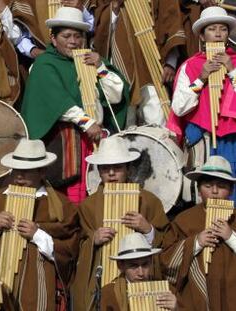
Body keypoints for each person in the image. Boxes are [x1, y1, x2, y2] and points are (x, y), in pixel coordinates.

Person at [21, 7, 129, 204]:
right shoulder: (44, 64)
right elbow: (56, 99)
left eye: (78, 36)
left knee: (95, 192)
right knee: (68, 193)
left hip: (94, 139)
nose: (73, 41)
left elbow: (115, 95)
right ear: (53, 39)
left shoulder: (91, 60)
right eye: (66, 36)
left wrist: (101, 68)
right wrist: (87, 122)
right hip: (64, 140)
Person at [71, 136, 169, 310]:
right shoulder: (87, 206)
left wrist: (148, 230)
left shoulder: (149, 201)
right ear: (99, 171)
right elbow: (74, 246)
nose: (111, 173)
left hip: (142, 280)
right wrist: (93, 240)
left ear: (128, 169)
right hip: (100, 279)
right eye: (105, 168)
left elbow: (169, 243)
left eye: (117, 168)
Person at [0, 139, 79, 310]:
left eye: (26, 171)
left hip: (37, 283)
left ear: (42, 172)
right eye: (17, 170)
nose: (19, 176)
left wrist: (38, 235)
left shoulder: (62, 205)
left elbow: (71, 250)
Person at [167, 6, 236, 202]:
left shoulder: (235, 63)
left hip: (232, 139)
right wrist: (201, 78)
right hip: (203, 139)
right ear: (203, 36)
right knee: (205, 192)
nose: (217, 34)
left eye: (222, 29)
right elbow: (179, 107)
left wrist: (231, 71)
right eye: (212, 29)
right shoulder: (190, 65)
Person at [90, 0, 186, 126]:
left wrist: (170, 62)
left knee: (157, 120)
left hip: (152, 66)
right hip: (121, 68)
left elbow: (171, 21)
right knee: (126, 124)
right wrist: (114, 8)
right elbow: (97, 23)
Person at [161, 155, 236, 311]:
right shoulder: (183, 220)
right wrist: (195, 243)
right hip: (197, 300)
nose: (214, 191)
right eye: (208, 186)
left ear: (231, 191)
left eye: (221, 186)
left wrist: (230, 237)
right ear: (199, 189)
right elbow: (166, 261)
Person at [101, 233, 177, 311]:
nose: (141, 273)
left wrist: (177, 308)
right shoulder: (108, 294)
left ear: (151, 262)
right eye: (134, 266)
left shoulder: (167, 289)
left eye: (145, 264)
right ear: (121, 266)